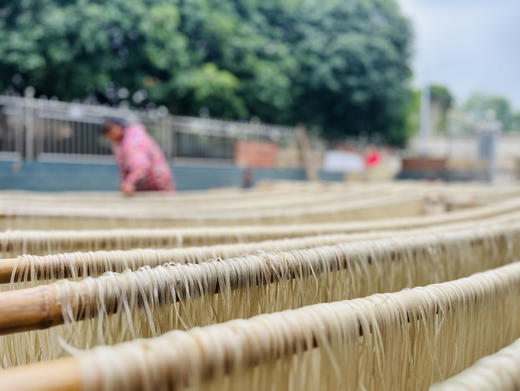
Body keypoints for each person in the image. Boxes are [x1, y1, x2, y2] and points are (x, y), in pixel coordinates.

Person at [102, 118, 175, 196]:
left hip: (158, 183)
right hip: (145, 184)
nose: (110, 135)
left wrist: (130, 182)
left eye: (110, 130)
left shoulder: (133, 140)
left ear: (118, 127)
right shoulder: (119, 145)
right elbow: (124, 169)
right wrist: (125, 182)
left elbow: (142, 166)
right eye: (107, 133)